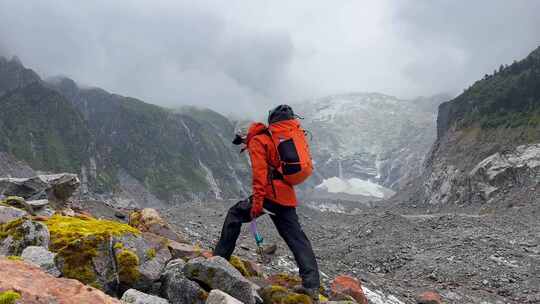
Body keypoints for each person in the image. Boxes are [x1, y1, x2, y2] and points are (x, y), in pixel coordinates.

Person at [213, 105, 320, 301]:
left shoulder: (257, 142)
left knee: (234, 215)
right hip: (286, 197)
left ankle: (219, 261)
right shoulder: (272, 137)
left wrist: (257, 204)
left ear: (245, 136)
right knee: (297, 239)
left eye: (242, 141)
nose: (243, 144)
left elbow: (260, 176)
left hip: (270, 196)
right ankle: (311, 285)